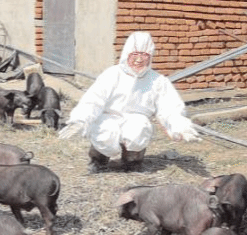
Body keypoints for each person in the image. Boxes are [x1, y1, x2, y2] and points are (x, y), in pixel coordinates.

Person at [58, 31, 200, 171]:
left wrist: (181, 126)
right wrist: (79, 120)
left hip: (136, 119)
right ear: (126, 54)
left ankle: (132, 161)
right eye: (135, 54)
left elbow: (170, 107)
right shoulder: (112, 74)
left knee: (139, 128)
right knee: (105, 131)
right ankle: (98, 160)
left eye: (144, 55)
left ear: (150, 57)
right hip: (109, 116)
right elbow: (93, 100)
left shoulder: (157, 81)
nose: (139, 60)